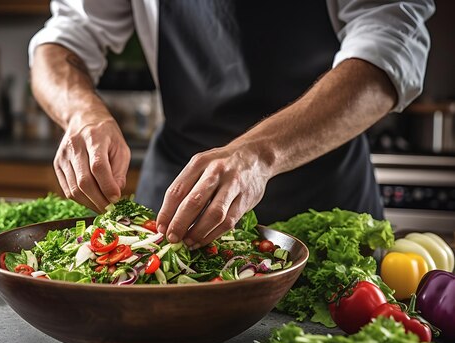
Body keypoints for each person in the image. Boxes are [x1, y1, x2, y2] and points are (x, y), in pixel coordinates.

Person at [29, 0, 434, 249]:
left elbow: (389, 47)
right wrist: (82, 113)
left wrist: (258, 155)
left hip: (323, 193)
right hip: (176, 194)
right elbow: (63, 40)